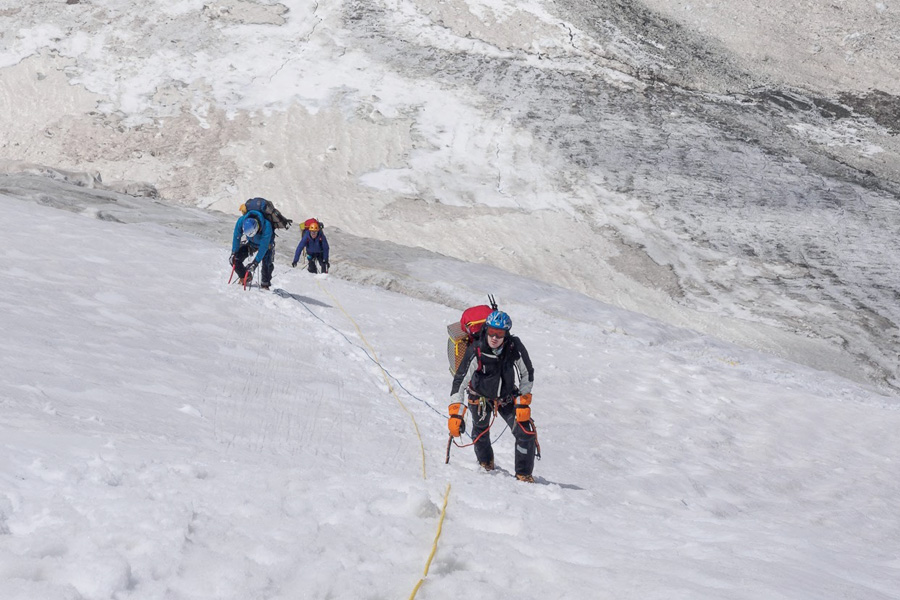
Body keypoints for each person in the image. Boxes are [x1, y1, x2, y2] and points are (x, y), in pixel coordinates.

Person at [448, 310, 537, 482]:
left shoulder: (513, 346)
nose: (494, 337)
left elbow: (527, 372)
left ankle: (524, 474)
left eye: (500, 334)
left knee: (526, 432)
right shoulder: (477, 349)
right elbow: (460, 379)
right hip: (479, 396)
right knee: (480, 433)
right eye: (491, 332)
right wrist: (455, 412)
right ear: (486, 330)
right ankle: (485, 465)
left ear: (506, 334)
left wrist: (523, 401)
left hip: (507, 397)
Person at [230, 208, 275, 289]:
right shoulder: (241, 221)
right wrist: (234, 253)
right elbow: (237, 237)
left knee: (267, 264)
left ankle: (265, 285)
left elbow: (264, 247)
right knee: (235, 259)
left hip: (267, 245)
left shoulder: (267, 226)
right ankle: (245, 276)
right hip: (251, 243)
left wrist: (255, 262)